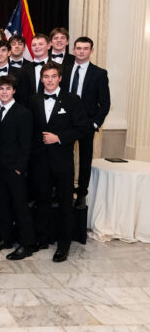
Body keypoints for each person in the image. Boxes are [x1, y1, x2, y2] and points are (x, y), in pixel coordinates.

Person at [28, 62, 88, 262]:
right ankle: (42, 238)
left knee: (64, 202)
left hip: (62, 160)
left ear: (60, 78)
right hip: (40, 160)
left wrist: (59, 138)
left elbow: (82, 128)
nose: (50, 80)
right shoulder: (34, 100)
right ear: (41, 79)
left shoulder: (72, 100)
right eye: (46, 77)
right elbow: (32, 130)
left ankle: (64, 244)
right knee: (42, 200)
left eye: (54, 76)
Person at [60, 37, 110, 209]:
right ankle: (65, 189)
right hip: (66, 122)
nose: (81, 51)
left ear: (91, 51)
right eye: (78, 48)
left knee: (85, 158)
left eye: (85, 48)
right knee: (65, 158)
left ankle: (81, 193)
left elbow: (105, 103)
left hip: (87, 123)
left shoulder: (99, 73)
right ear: (73, 50)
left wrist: (95, 123)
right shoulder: (64, 71)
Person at [0, 75, 36, 260]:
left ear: (14, 91)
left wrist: (19, 168)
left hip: (14, 169)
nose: (4, 92)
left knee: (20, 207)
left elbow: (26, 144)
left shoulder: (23, 113)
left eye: (8, 89)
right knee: (2, 206)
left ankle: (27, 244)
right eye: (1, 89)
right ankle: (5, 239)